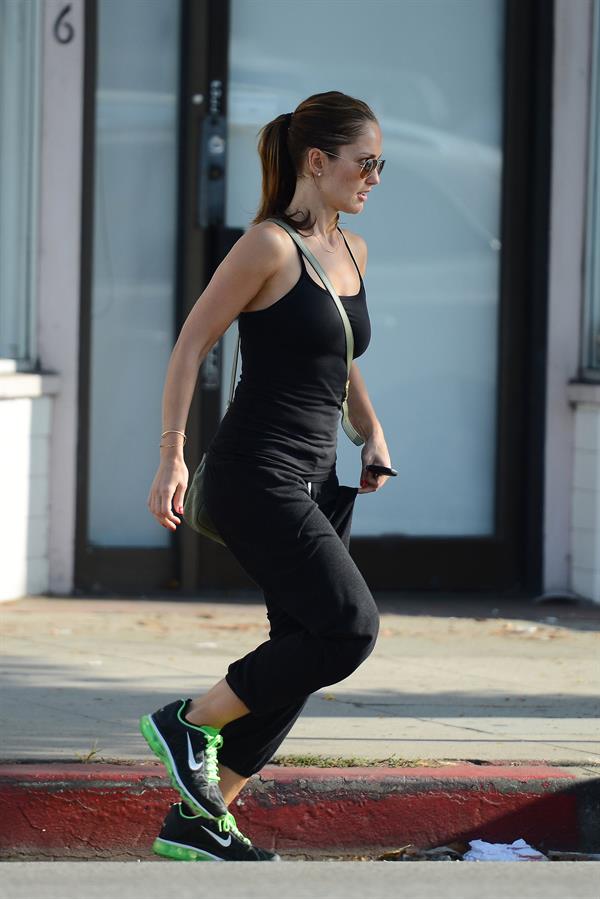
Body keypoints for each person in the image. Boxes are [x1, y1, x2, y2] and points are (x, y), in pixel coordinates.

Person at [142, 90, 392, 862]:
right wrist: (172, 453)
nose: (375, 177)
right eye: (366, 162)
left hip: (318, 478)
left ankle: (203, 816)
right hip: (256, 473)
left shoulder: (352, 250)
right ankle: (189, 721)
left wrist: (371, 430)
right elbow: (191, 345)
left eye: (383, 165)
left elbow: (339, 357)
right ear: (317, 162)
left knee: (302, 645)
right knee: (350, 627)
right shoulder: (268, 246)